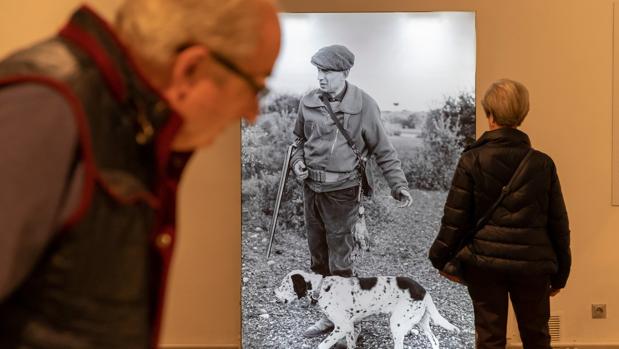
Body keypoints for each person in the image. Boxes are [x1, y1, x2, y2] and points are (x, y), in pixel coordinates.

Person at [0, 1, 280, 348]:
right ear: (190, 69)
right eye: (255, 86)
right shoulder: (44, 108)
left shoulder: (129, 125)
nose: (252, 113)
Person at [428, 79, 571, 348]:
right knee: (537, 337)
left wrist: (438, 258)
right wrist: (561, 272)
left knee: (490, 338)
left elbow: (455, 219)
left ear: (489, 114)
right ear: (522, 114)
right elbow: (558, 224)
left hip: (485, 265)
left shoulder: (471, 160)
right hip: (534, 267)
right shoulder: (542, 163)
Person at [291, 44, 413, 342]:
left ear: (344, 73)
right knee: (318, 257)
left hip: (343, 192)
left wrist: (399, 185)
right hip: (312, 190)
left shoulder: (365, 105)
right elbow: (297, 139)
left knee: (340, 261)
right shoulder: (308, 102)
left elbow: (384, 150)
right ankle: (327, 316)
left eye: (328, 73)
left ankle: (347, 326)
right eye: (319, 71)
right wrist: (297, 163)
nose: (321, 78)